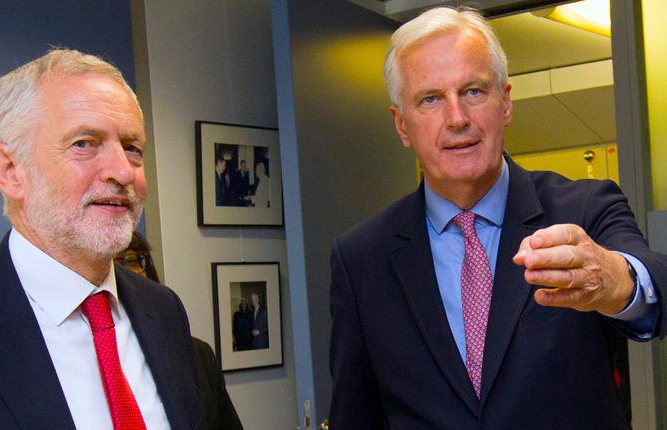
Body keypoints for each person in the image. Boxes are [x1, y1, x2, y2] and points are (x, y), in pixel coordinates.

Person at [328, 7, 667, 429]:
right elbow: (353, 415)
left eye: (472, 91)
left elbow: (658, 289)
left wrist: (616, 279)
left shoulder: (584, 209)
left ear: (505, 102)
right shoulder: (361, 258)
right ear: (401, 125)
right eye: (430, 99)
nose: (456, 119)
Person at [0, 49, 206, 429]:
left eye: (132, 148)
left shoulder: (163, 310)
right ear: (10, 171)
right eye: (84, 143)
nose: (122, 171)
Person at [116, 231, 244, 430]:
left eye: (132, 260)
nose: (123, 274)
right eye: (113, 263)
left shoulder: (197, 353)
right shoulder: (89, 357)